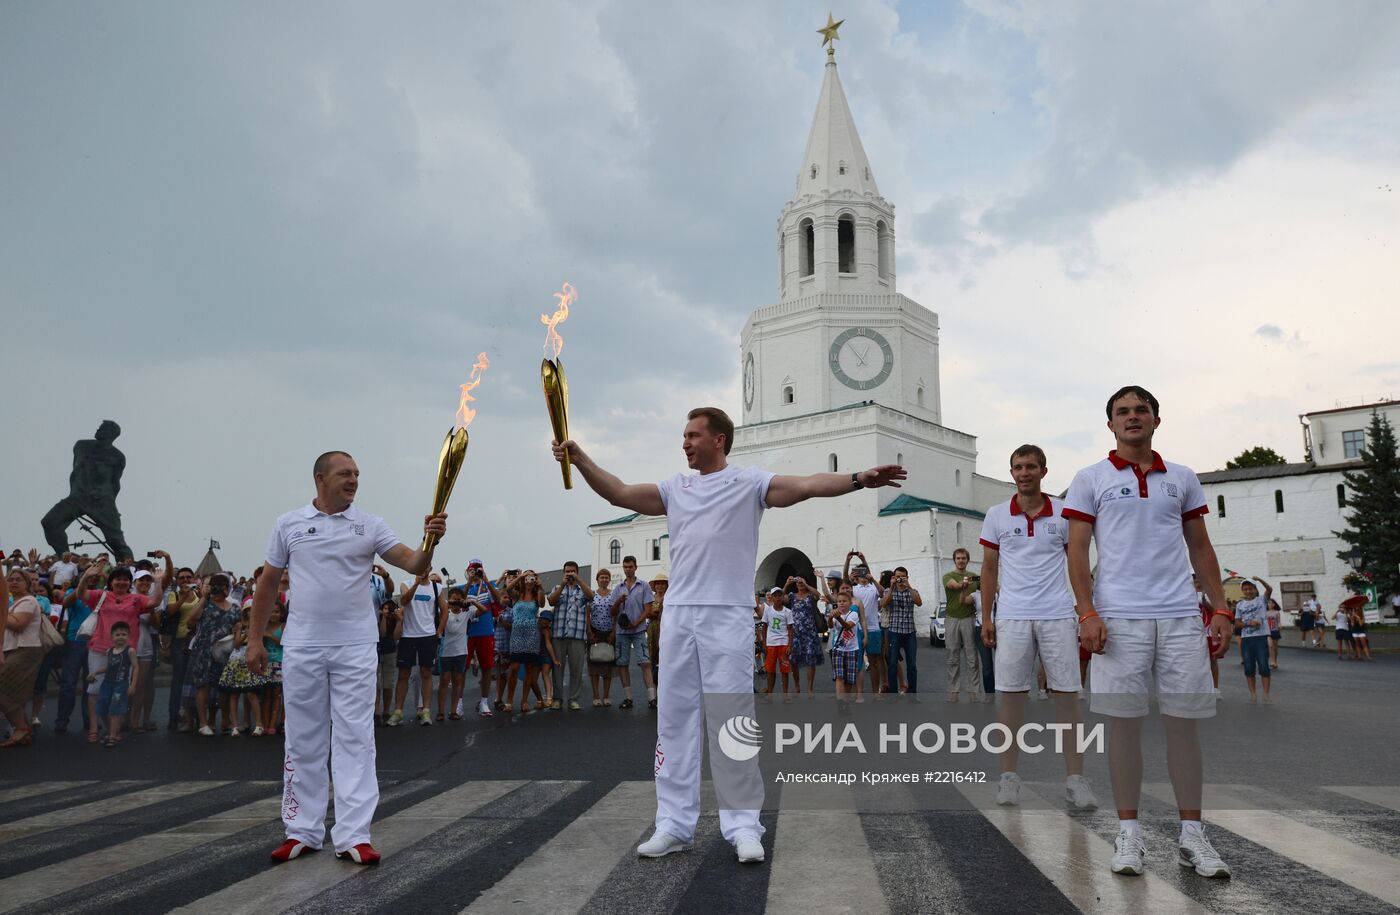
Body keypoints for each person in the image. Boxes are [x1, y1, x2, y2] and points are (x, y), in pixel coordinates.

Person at [554, 405, 905, 863]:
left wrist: (859, 478)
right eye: (683, 435)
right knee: (674, 720)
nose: (685, 443)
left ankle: (743, 826)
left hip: (727, 615)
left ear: (718, 439)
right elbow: (618, 493)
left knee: (731, 719)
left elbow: (805, 486)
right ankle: (673, 825)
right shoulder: (673, 488)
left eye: (693, 435)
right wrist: (579, 458)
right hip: (679, 614)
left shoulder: (748, 483)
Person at [1065, 385, 1234, 879]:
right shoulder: (1090, 478)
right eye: (1123, 412)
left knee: (1183, 725)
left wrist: (1220, 607)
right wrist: (1087, 613)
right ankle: (1130, 834)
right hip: (1118, 620)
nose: (1132, 417)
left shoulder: (1181, 478)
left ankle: (1192, 836)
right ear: (1111, 425)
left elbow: (1200, 547)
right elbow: (1076, 552)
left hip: (1181, 616)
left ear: (1157, 420)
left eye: (1141, 410)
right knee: (1125, 726)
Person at [246, 449, 447, 866]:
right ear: (320, 479)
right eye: (344, 474)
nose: (353, 480)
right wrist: (255, 641)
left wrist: (430, 540)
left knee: (356, 737)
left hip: (355, 646)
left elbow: (412, 562)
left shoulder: (369, 525)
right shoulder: (289, 524)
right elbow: (267, 585)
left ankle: (354, 835)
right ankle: (301, 830)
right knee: (303, 738)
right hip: (302, 644)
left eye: (356, 473)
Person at [980, 444, 1098, 809]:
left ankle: (1075, 780)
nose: (1024, 472)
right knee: (1011, 698)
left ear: (1044, 471)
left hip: (1058, 614)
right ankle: (1009, 778)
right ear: (1011, 472)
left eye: (1031, 466)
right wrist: (987, 616)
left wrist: (1085, 611)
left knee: (1068, 698)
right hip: (1012, 615)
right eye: (1018, 467)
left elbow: (1078, 562)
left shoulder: (1064, 513)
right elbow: (988, 567)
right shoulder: (997, 515)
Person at [185, 574, 240, 737]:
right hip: (203, 649)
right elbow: (191, 621)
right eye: (216, 585)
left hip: (225, 651)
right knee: (203, 685)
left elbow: (238, 629)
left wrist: (238, 633)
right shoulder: (205, 604)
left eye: (224, 586)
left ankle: (223, 720)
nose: (220, 589)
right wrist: (204, 597)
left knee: (224, 687)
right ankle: (203, 723)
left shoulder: (235, 607)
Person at [388, 571, 442, 726]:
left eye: (427, 566)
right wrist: (416, 583)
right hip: (408, 635)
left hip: (428, 635)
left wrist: (438, 631)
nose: (424, 569)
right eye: (421, 566)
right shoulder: (406, 583)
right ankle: (398, 712)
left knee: (426, 672)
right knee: (404, 673)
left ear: (430, 566)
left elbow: (444, 610)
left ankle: (425, 711)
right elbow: (404, 601)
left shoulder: (436, 587)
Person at [1, 569, 46, 747]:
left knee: (5, 688)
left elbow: (18, 625)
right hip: (13, 649)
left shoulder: (28, 601)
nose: (13, 582)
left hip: (25, 650)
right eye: (10, 580)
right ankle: (21, 729)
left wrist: (3, 614)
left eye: (18, 580)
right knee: (10, 690)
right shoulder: (14, 603)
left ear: (27, 583)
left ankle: (21, 727)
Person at [612, 556, 656, 710]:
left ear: (636, 567)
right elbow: (612, 611)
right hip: (621, 631)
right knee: (622, 664)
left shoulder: (643, 586)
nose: (627, 569)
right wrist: (618, 601)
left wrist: (636, 623)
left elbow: (648, 609)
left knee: (645, 662)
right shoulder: (618, 588)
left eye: (630, 567)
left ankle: (652, 698)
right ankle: (628, 698)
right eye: (625, 567)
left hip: (638, 630)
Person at [548, 561, 591, 711]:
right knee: (557, 670)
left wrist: (579, 581)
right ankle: (557, 699)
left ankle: (574, 699)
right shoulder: (557, 587)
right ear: (563, 573)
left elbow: (591, 596)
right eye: (567, 571)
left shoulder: (582, 589)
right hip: (558, 634)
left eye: (573, 571)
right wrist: (561, 586)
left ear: (577, 572)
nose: (570, 574)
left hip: (577, 635)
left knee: (576, 669)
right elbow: (551, 601)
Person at [89, 620, 139, 747]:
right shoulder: (109, 651)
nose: (120, 637)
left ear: (128, 636)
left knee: (115, 709)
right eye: (117, 635)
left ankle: (113, 735)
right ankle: (112, 730)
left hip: (120, 684)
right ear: (112, 637)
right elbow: (108, 666)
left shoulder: (130, 651)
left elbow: (136, 667)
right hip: (107, 683)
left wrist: (133, 685)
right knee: (102, 708)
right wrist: (95, 673)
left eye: (124, 634)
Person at [942, 549, 982, 702]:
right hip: (952, 619)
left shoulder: (974, 577)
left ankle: (974, 691)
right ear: (954, 560)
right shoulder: (948, 576)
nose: (961, 561)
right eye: (958, 558)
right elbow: (953, 586)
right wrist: (963, 584)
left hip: (970, 619)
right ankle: (953, 691)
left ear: (967, 559)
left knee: (972, 657)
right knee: (952, 656)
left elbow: (986, 589)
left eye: (963, 558)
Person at [844, 552, 885, 699]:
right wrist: (848, 562)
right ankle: (858, 693)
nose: (862, 575)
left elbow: (882, 592)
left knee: (874, 661)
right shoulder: (853, 589)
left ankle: (875, 692)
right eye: (859, 573)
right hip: (857, 629)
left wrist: (871, 576)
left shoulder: (873, 587)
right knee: (858, 662)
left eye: (864, 572)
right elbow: (845, 582)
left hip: (873, 628)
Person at [881, 566, 921, 694]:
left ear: (907, 577)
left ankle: (912, 693)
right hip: (894, 631)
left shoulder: (912, 590)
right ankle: (893, 693)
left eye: (902, 576)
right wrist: (892, 587)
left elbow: (919, 602)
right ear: (893, 577)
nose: (899, 579)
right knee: (892, 663)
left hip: (909, 631)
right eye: (897, 576)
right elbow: (884, 603)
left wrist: (908, 586)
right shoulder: (889, 590)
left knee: (912, 665)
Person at [1233, 576, 1273, 704]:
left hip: (1260, 637)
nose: (1248, 591)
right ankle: (1253, 694)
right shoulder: (1240, 605)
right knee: (1249, 668)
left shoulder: (1262, 600)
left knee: (1264, 667)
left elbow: (1269, 588)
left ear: (1255, 590)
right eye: (1245, 589)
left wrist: (1259, 579)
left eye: (1250, 588)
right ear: (1242, 591)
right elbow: (1237, 623)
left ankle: (1266, 695)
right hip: (1246, 639)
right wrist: (1249, 623)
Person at [784, 576, 824, 698]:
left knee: (810, 660)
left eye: (802, 582)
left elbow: (819, 595)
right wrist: (786, 584)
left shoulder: (810, 596)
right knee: (793, 659)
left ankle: (810, 688)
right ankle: (797, 686)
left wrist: (806, 584)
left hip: (810, 632)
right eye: (798, 582)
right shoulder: (792, 596)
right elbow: (780, 598)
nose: (800, 584)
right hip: (795, 633)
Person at [436, 587, 471, 721]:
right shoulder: (445, 613)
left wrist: (469, 602)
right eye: (454, 599)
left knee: (457, 681)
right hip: (446, 652)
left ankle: (453, 711)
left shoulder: (466, 613)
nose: (456, 602)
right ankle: (440, 712)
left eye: (458, 600)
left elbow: (483, 611)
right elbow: (439, 615)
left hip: (461, 652)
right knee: (444, 680)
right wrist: (449, 604)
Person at [587, 569, 618, 706]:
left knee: (608, 665)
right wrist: (589, 632)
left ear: (609, 579)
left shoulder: (613, 595)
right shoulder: (591, 595)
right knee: (594, 665)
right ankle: (596, 697)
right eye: (601, 577)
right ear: (597, 580)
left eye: (606, 577)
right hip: (595, 631)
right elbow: (587, 614)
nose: (604, 580)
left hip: (609, 632)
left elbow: (616, 615)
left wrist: (614, 632)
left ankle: (606, 696)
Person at [827, 592, 861, 707]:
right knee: (839, 676)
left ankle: (845, 702)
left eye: (844, 601)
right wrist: (830, 618)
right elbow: (831, 626)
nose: (842, 603)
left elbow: (848, 626)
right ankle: (840, 701)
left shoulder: (853, 614)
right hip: (838, 649)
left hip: (852, 649)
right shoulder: (836, 614)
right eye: (839, 601)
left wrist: (838, 618)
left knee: (849, 679)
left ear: (850, 603)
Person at [758, 588, 793, 699]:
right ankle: (770, 695)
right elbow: (764, 627)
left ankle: (785, 695)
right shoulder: (768, 611)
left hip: (783, 643)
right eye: (775, 596)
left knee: (784, 671)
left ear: (783, 597)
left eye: (779, 595)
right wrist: (764, 642)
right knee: (770, 671)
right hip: (771, 644)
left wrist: (790, 645)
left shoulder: (787, 612)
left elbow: (790, 629)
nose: (777, 598)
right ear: (772, 597)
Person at [375, 599, 401, 724]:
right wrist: (384, 618)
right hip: (378, 653)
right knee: (377, 685)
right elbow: (382, 633)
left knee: (388, 684)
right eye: (385, 608)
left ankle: (386, 711)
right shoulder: (378, 618)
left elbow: (396, 636)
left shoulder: (396, 619)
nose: (388, 611)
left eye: (390, 608)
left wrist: (399, 620)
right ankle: (376, 712)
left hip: (390, 652)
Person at [1266, 598, 1282, 669]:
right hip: (1268, 632)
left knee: (1275, 648)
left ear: (1274, 604)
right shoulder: (1265, 612)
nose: (1270, 604)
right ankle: (1272, 661)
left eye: (1272, 603)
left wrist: (1280, 625)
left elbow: (1278, 621)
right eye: (1269, 603)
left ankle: (1275, 662)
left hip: (1275, 631)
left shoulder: (1277, 612)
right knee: (1270, 646)